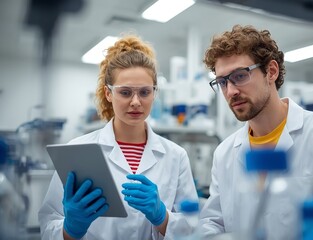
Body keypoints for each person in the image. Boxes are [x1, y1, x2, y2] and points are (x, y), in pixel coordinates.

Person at [198, 24, 313, 239]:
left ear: (271, 71)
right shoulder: (224, 153)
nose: (231, 91)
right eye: (222, 82)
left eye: (239, 76)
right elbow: (213, 223)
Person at [39, 34, 198, 240]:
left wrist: (163, 217)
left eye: (144, 92)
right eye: (125, 92)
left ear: (154, 93)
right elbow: (48, 223)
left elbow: (193, 227)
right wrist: (71, 228)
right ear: (108, 93)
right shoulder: (78, 149)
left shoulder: (176, 156)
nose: (135, 102)